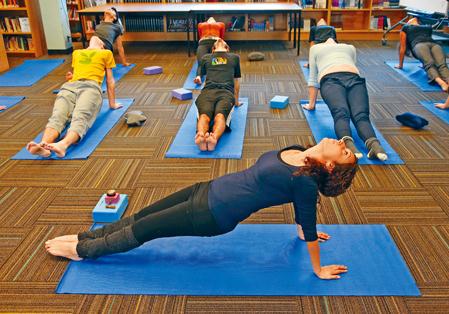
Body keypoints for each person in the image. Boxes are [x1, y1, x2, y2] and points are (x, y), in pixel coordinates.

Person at [46, 138, 357, 280]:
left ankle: (83, 251)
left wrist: (317, 268)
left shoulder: (305, 183)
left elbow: (307, 214)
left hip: (212, 215)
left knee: (145, 230)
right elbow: (299, 212)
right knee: (140, 215)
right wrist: (301, 233)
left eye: (345, 152)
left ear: (331, 165)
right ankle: (88, 236)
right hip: (206, 189)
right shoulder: (301, 153)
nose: (343, 143)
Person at [26, 36, 122, 158]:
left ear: (102, 46)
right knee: (58, 115)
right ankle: (43, 145)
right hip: (70, 86)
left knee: (80, 115)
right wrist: (71, 77)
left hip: (90, 87)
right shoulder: (77, 53)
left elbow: (110, 80)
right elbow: (76, 73)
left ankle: (63, 145)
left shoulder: (106, 53)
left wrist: (112, 104)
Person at [303, 38, 388, 161]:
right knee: (361, 116)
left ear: (320, 41)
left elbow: (313, 79)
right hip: (354, 79)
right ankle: (375, 146)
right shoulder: (350, 47)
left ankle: (349, 145)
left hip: (330, 79)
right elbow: (352, 65)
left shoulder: (315, 48)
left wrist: (311, 104)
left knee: (341, 113)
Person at [193, 39, 241, 151]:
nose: (219, 39)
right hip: (207, 92)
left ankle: (214, 138)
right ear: (213, 49)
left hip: (226, 93)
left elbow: (236, 80)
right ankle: (201, 135)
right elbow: (200, 72)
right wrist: (198, 77)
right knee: (204, 116)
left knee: (220, 116)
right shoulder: (206, 58)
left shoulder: (234, 57)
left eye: (222, 40)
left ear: (227, 48)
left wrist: (236, 100)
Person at [396, 18, 449, 91]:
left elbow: (402, 48)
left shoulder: (406, 27)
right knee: (441, 64)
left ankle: (443, 83)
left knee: (430, 64)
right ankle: (445, 82)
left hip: (421, 45)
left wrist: (400, 65)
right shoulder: (427, 27)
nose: (412, 19)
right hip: (434, 45)